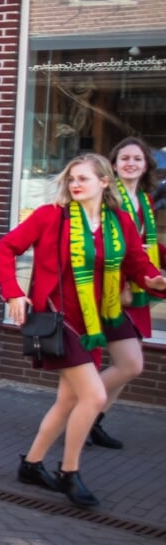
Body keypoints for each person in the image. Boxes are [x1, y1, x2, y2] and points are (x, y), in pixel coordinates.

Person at [0, 153, 166, 508]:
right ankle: (68, 472)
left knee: (75, 396)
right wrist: (13, 291)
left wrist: (154, 279)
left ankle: (31, 464)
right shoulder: (50, 216)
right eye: (72, 178)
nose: (75, 184)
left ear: (104, 182)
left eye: (83, 179)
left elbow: (136, 261)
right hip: (61, 319)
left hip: (102, 314)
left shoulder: (117, 220)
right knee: (93, 397)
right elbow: (6, 248)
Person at [89, 138, 166, 448]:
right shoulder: (110, 200)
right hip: (114, 288)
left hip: (138, 289)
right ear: (115, 164)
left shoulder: (145, 201)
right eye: (124, 158)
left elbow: (145, 245)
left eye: (137, 158)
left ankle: (94, 420)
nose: (131, 163)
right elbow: (105, 243)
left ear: (146, 164)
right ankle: (80, 409)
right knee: (128, 364)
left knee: (127, 367)